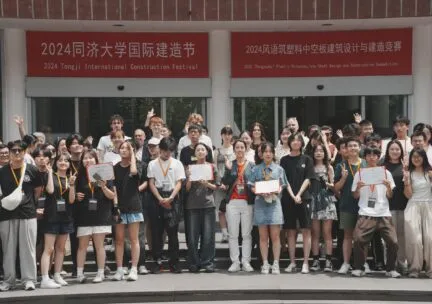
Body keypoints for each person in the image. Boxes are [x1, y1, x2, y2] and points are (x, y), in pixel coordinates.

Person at [0, 140, 43, 291]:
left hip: (28, 213)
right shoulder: (2, 171)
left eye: (20, 150)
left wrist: (31, 204)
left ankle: (29, 279)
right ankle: (9, 280)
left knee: (28, 248)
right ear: (10, 153)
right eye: (14, 150)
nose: (17, 153)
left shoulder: (32, 169)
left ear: (25, 152)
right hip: (6, 214)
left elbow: (38, 190)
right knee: (8, 249)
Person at [350, 146, 400, 278]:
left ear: (378, 157)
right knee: (359, 239)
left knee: (393, 242)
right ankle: (359, 267)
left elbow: (390, 195)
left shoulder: (386, 173)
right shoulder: (359, 173)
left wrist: (388, 186)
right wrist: (358, 188)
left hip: (383, 212)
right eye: (369, 155)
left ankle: (390, 269)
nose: (372, 157)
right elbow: (355, 196)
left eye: (374, 155)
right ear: (365, 157)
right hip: (366, 212)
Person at [70, 150, 115, 284]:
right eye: (85, 158)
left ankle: (100, 273)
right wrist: (76, 194)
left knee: (99, 245)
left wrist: (104, 187)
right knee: (82, 246)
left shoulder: (104, 173)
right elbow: (73, 197)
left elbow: (112, 196)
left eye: (90, 158)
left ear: (96, 160)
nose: (87, 160)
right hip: (84, 216)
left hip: (101, 215)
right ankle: (79, 273)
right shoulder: (78, 175)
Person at [249, 143, 288, 274]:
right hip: (260, 203)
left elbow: (283, 185)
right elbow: (251, 185)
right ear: (261, 154)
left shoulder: (279, 169)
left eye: (270, 151)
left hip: (274, 204)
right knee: (263, 236)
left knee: (275, 236)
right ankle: (265, 263)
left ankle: (276, 263)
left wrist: (277, 190)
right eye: (265, 151)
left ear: (273, 153)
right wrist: (259, 192)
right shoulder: (255, 169)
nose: (268, 154)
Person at [148, 137, 185, 274]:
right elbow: (151, 182)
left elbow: (179, 183)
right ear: (160, 149)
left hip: (172, 196)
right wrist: (159, 198)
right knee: (156, 233)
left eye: (170, 151)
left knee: (172, 233)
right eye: (164, 151)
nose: (167, 154)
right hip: (156, 196)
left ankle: (174, 262)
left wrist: (170, 197)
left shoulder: (177, 163)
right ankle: (157, 262)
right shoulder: (152, 164)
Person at [280, 133, 314, 274]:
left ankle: (305, 262)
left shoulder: (307, 159)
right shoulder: (284, 160)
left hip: (304, 198)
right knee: (290, 231)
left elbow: (308, 178)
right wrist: (293, 195)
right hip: (288, 198)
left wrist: (299, 194)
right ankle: (292, 262)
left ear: (301, 143)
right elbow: (284, 179)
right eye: (293, 140)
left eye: (298, 140)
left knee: (306, 230)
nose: (295, 142)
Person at [40, 153, 74, 288]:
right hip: (51, 216)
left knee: (60, 248)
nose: (63, 162)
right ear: (56, 163)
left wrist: (72, 185)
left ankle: (57, 275)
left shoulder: (70, 178)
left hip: (66, 217)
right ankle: (44, 278)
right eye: (60, 160)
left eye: (66, 160)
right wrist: (49, 172)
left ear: (69, 164)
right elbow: (50, 190)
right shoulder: (51, 176)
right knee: (49, 248)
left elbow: (71, 200)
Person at [221, 139, 255, 273]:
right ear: (234, 150)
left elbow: (254, 182)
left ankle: (246, 261)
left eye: (242, 147)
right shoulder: (230, 164)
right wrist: (229, 170)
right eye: (237, 147)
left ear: (245, 149)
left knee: (246, 234)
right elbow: (225, 182)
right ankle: (235, 261)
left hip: (247, 202)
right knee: (233, 234)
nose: (240, 150)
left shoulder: (252, 165)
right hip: (233, 202)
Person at [334, 137, 367, 275]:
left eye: (355, 146)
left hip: (365, 205)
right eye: (350, 146)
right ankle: (346, 263)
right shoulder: (341, 165)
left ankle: (363, 264)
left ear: (360, 148)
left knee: (363, 237)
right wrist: (343, 178)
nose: (353, 148)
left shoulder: (366, 164)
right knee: (347, 236)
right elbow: (336, 188)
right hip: (347, 204)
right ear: (346, 149)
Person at [184, 143, 218, 273]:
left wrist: (207, 183)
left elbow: (216, 187)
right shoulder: (189, 168)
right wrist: (189, 178)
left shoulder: (211, 167)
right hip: (192, 205)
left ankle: (207, 262)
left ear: (206, 152)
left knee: (208, 235)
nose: (200, 151)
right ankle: (193, 262)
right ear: (195, 153)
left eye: (202, 149)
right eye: (198, 149)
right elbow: (186, 189)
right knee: (192, 236)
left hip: (208, 204)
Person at [112, 141, 143, 282]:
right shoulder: (115, 167)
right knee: (118, 240)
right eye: (122, 148)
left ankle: (134, 268)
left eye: (127, 148)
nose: (124, 150)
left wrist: (133, 157)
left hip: (134, 205)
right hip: (120, 206)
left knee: (133, 239)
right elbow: (113, 187)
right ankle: (119, 269)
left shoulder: (137, 164)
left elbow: (134, 172)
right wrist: (116, 205)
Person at [403, 148, 432, 278]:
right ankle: (414, 268)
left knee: (430, 239)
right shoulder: (408, 173)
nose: (416, 159)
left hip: (429, 206)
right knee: (415, 239)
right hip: (413, 206)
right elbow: (408, 195)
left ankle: (430, 269)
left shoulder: (430, 173)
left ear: (424, 158)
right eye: (413, 156)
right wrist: (407, 182)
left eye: (419, 156)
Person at [310, 144, 337, 272]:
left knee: (327, 232)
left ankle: (328, 260)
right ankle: (315, 259)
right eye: (316, 150)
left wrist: (326, 184)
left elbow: (334, 186)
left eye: (321, 151)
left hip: (327, 201)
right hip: (314, 200)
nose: (319, 153)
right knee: (315, 233)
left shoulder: (329, 167)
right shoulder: (310, 167)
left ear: (325, 153)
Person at [383, 140, 408, 274]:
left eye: (397, 149)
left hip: (404, 205)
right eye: (392, 149)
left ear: (401, 151)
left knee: (402, 236)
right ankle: (390, 263)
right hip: (388, 206)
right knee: (390, 238)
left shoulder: (406, 166)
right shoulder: (383, 166)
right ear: (387, 151)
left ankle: (402, 262)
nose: (395, 151)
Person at [214, 126, 235, 243]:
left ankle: (233, 232)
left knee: (232, 210)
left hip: (232, 185)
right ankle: (224, 233)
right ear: (221, 136)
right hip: (220, 184)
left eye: (229, 134)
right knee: (221, 210)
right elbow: (215, 168)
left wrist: (229, 184)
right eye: (225, 134)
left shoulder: (235, 150)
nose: (227, 136)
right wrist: (219, 183)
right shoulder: (217, 151)